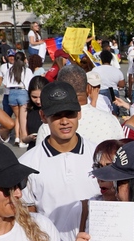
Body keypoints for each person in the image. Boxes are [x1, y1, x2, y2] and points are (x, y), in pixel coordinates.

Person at [19, 81, 101, 227]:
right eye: (56, 115)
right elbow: (28, 213)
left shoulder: (98, 155)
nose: (64, 121)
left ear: (79, 113)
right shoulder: (27, 163)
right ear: (43, 116)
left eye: (70, 114)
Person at [36, 65, 128, 149]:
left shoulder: (50, 125)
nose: (65, 121)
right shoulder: (110, 120)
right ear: (88, 88)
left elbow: (39, 159)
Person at [0, 50, 32, 145]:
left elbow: (5, 84)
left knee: (17, 117)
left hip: (11, 93)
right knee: (23, 118)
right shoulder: (27, 70)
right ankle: (22, 139)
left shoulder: (10, 70)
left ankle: (16, 137)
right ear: (24, 60)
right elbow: (29, 84)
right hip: (22, 92)